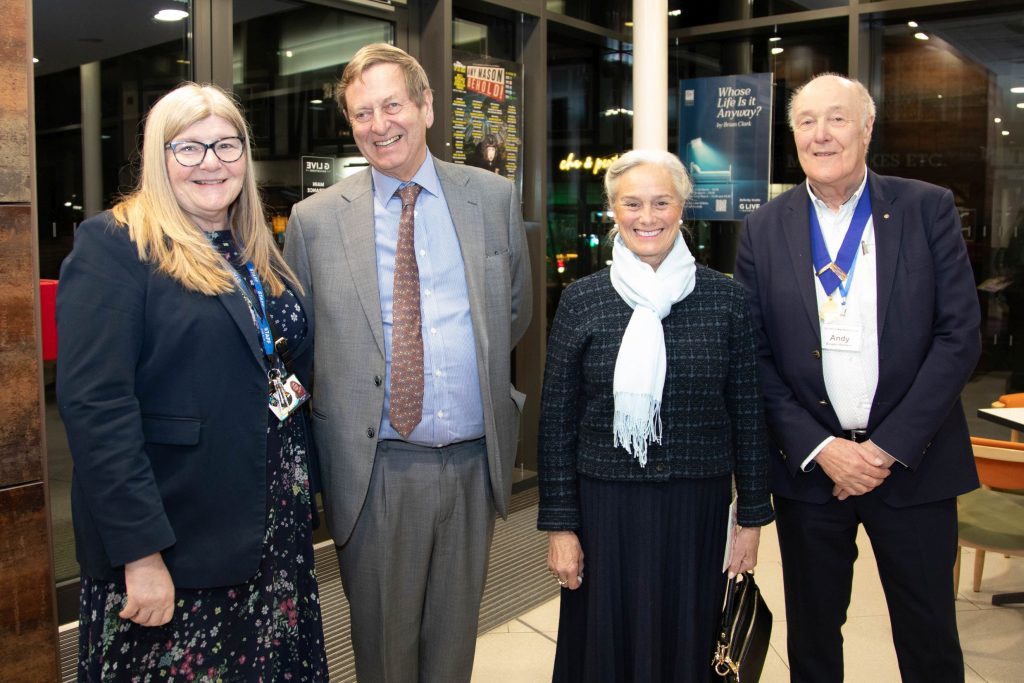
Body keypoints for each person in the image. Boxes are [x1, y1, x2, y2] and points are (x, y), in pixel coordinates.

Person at [57, 82, 328, 681]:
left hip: (271, 532)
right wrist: (140, 553)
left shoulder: (252, 246)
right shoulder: (116, 245)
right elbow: (97, 409)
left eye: (227, 145)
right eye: (189, 147)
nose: (211, 162)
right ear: (159, 156)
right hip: (180, 544)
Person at [283, 43, 531, 683]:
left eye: (392, 105)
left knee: (454, 649)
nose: (379, 124)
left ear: (426, 107)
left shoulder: (492, 198)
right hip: (376, 473)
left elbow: (513, 312)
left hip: (474, 464)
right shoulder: (314, 221)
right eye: (362, 113)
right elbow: (303, 346)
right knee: (385, 654)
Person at [734, 73, 981, 682]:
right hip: (812, 472)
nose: (821, 134)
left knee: (929, 639)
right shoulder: (763, 227)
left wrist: (885, 449)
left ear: (867, 128)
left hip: (914, 466)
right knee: (813, 641)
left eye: (837, 118)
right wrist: (823, 449)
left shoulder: (926, 208)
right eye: (806, 121)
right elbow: (753, 354)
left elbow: (958, 337)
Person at [538, 149, 773, 682]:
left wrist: (752, 519)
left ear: (682, 208)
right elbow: (556, 424)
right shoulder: (582, 300)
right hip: (604, 510)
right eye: (633, 203)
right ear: (613, 210)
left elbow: (748, 415)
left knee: (687, 641)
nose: (647, 216)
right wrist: (560, 527)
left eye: (661, 202)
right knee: (605, 646)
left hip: (697, 509)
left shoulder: (726, 299)